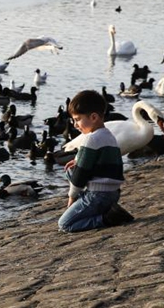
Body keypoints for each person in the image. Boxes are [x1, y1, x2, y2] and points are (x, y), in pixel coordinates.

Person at [58, 90, 134, 232]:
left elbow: (81, 175)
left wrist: (72, 198)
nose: (75, 125)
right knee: (71, 169)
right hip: (112, 193)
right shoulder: (109, 135)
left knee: (64, 224)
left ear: (93, 117)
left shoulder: (91, 139)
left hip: (98, 195)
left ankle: (107, 218)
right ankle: (106, 209)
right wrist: (77, 160)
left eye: (77, 119)